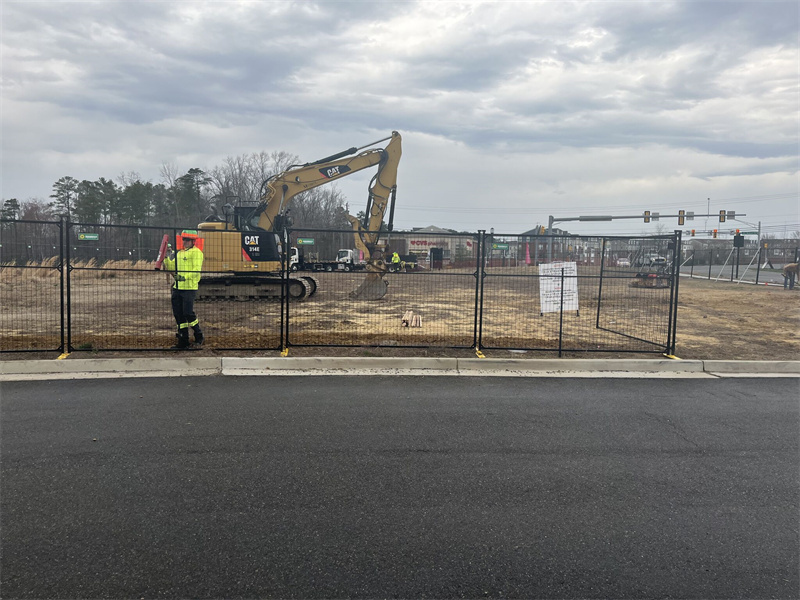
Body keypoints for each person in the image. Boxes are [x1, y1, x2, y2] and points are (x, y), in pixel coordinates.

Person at [162, 230, 204, 349]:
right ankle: (183, 339)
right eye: (184, 239)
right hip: (177, 288)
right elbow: (171, 266)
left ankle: (198, 334)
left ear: (193, 241)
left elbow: (196, 270)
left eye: (187, 240)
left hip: (189, 288)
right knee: (178, 315)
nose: (185, 242)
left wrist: (184, 277)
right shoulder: (179, 253)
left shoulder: (197, 253)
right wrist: (165, 258)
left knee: (188, 313)